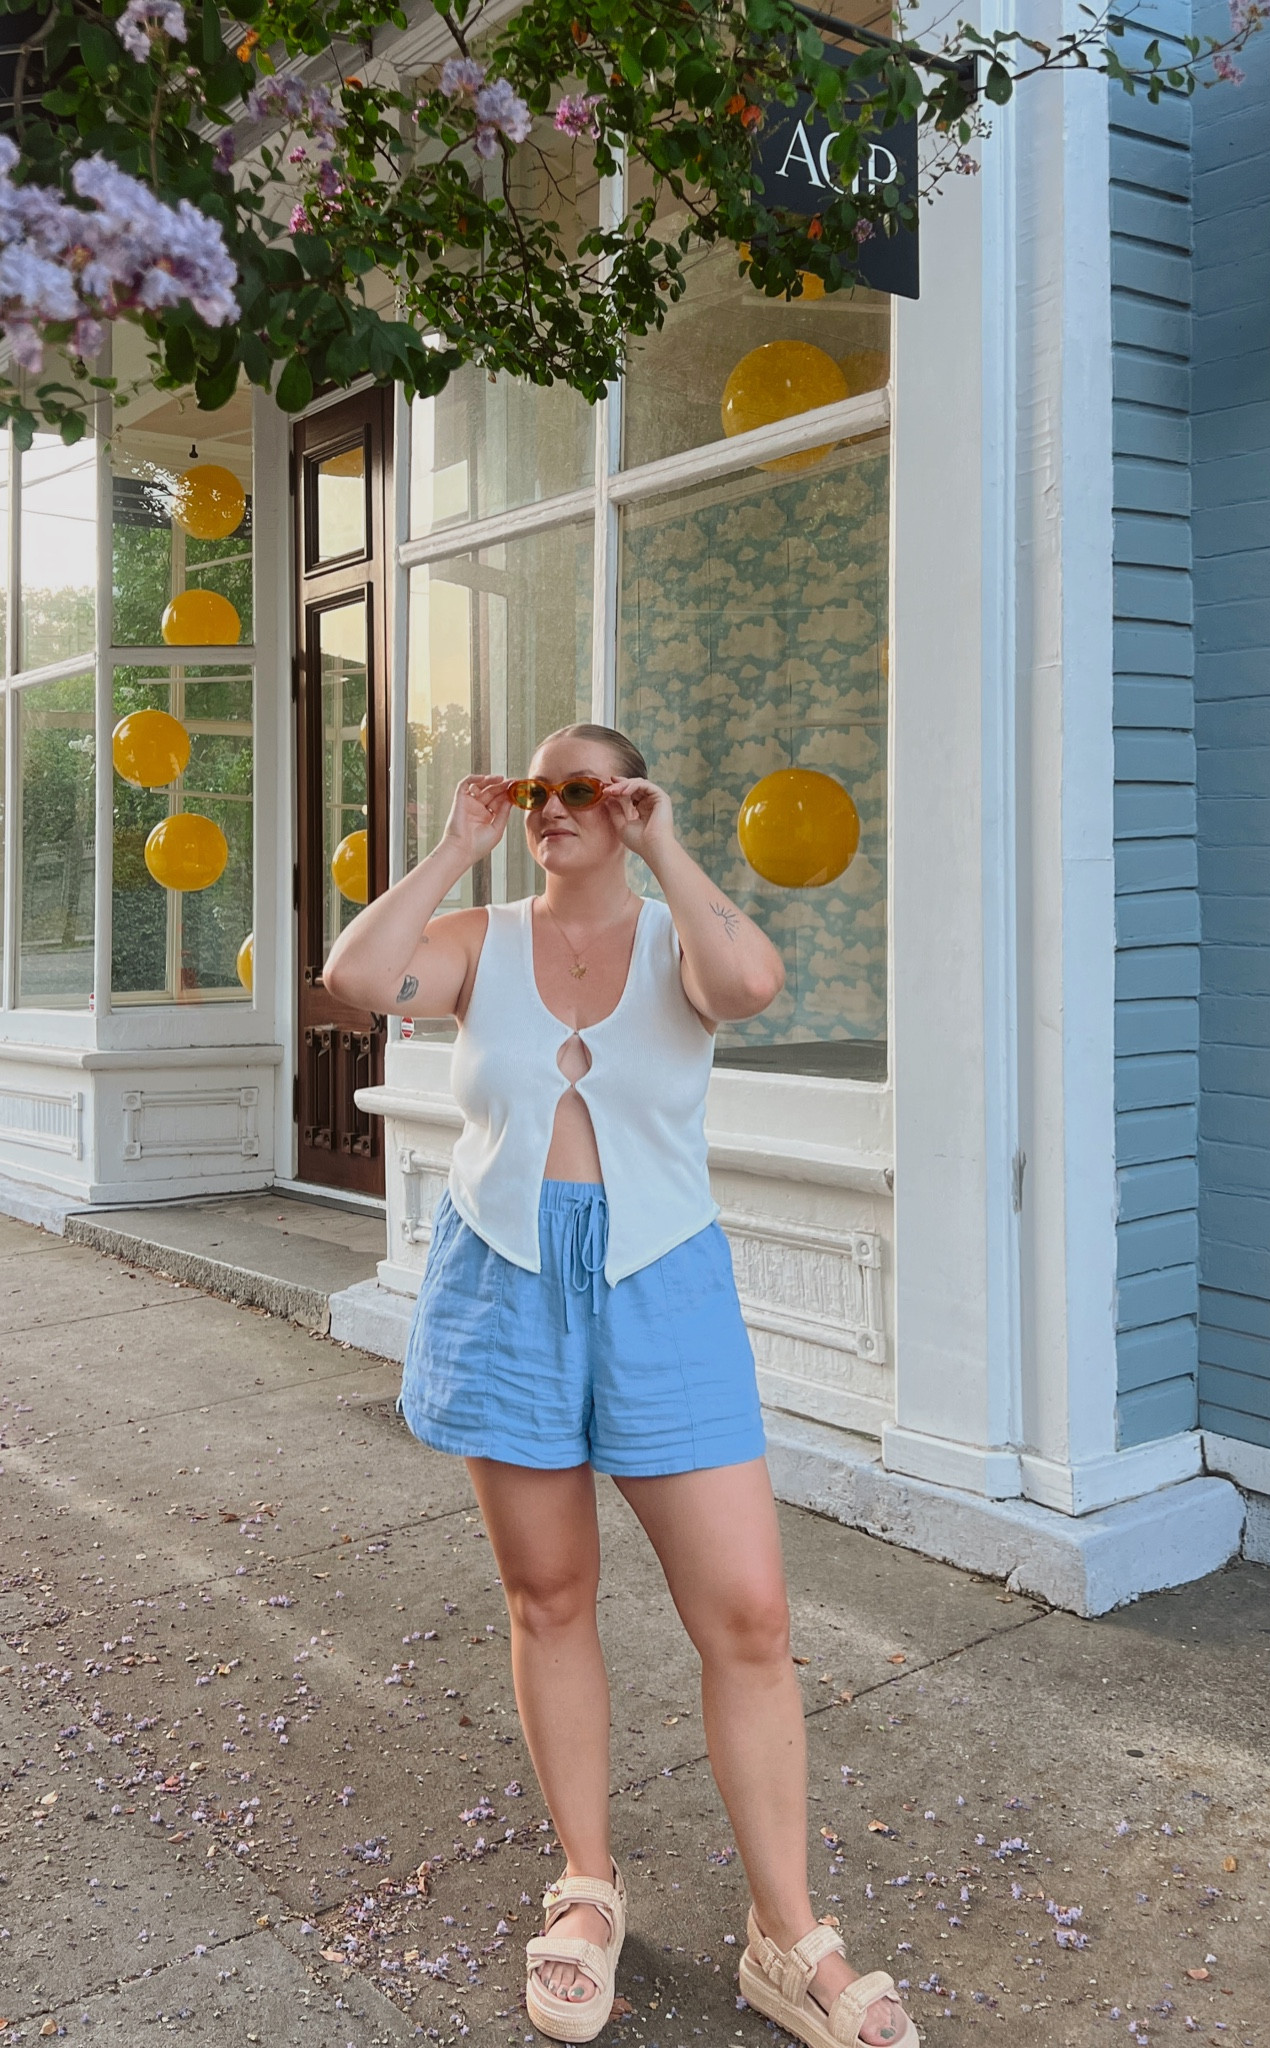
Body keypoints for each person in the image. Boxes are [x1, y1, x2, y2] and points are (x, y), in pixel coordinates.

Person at [322, 724, 917, 2048]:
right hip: (505, 1280)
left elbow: (752, 982)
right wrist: (452, 845)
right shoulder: (477, 940)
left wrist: (665, 843)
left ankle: (788, 1935)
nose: (555, 808)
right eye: (538, 790)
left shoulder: (671, 940)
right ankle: (586, 1885)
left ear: (631, 799)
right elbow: (355, 973)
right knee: (548, 1599)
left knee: (751, 1616)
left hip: (662, 1284)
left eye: (583, 788)